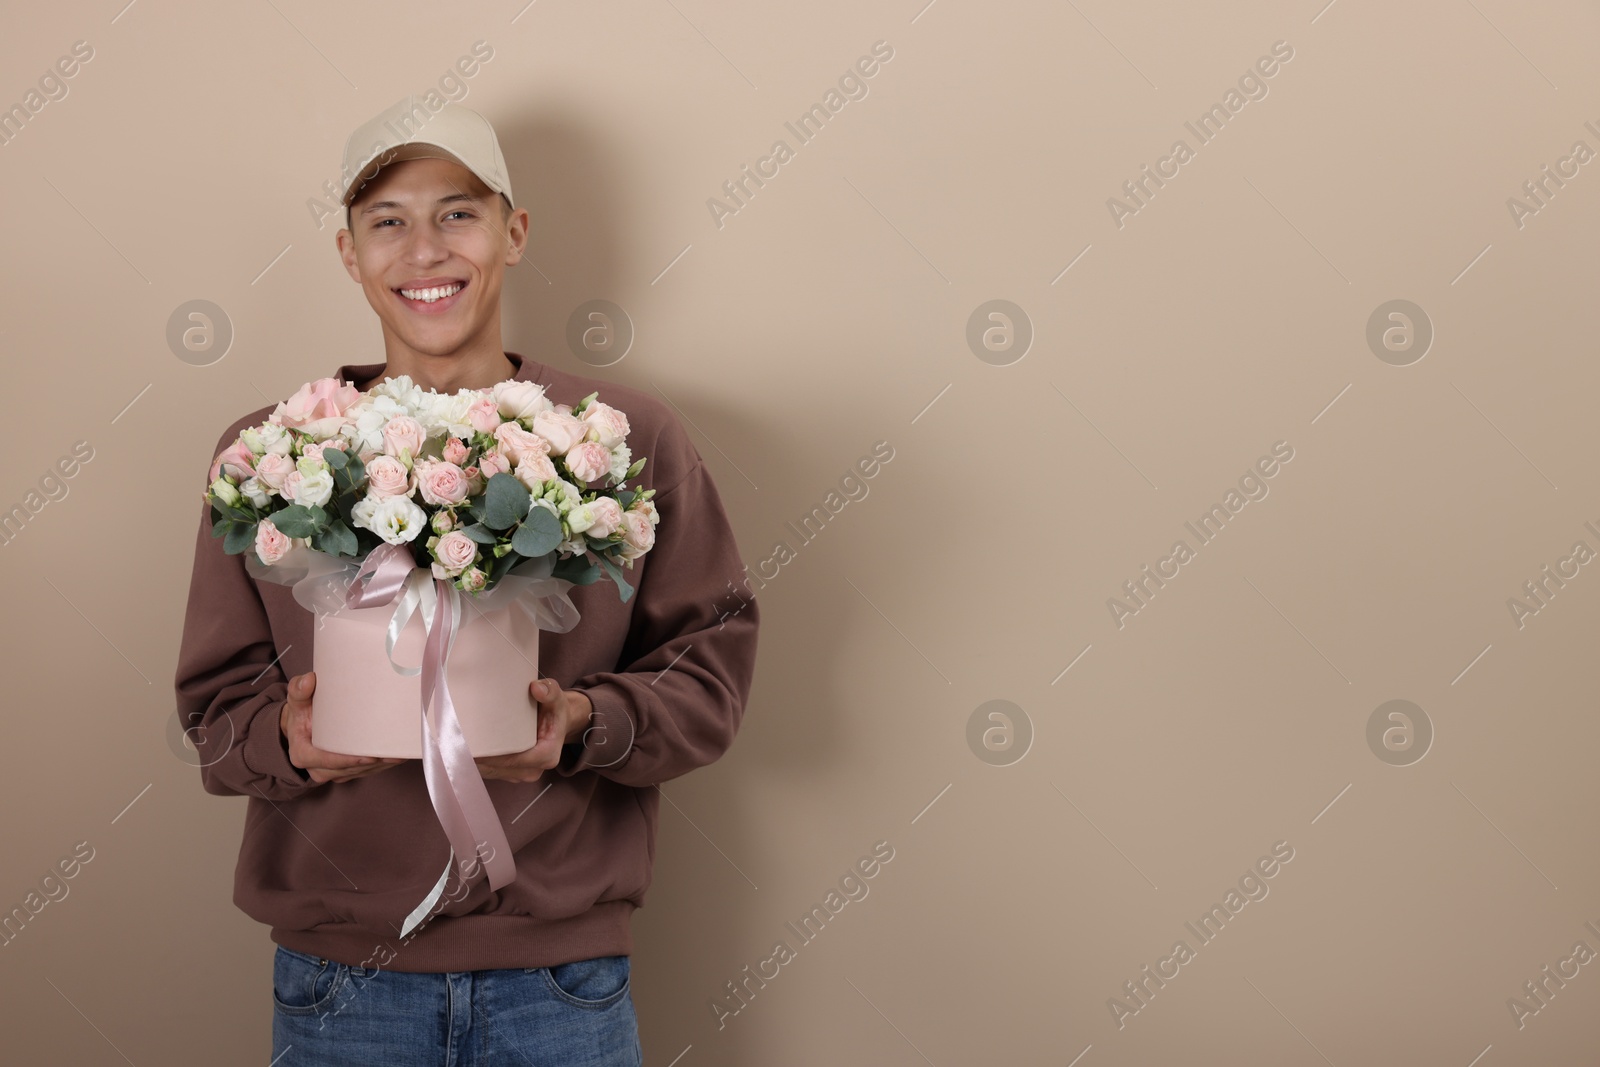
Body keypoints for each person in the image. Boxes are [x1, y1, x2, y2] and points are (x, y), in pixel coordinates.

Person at [173, 95, 761, 1066]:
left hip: (560, 979)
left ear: (513, 230)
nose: (423, 249)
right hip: (339, 983)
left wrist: (580, 724)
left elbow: (710, 678)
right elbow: (213, 709)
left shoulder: (626, 438)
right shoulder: (269, 453)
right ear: (348, 251)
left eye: (457, 212)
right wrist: (288, 736)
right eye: (386, 221)